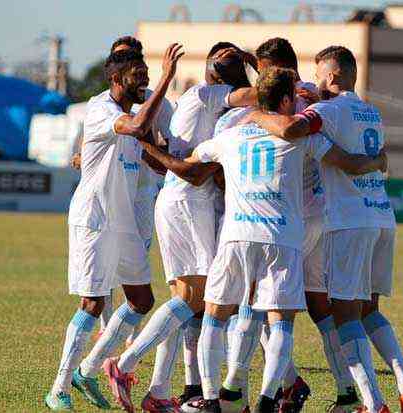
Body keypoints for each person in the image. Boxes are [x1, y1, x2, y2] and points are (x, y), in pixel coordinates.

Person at [142, 66, 387, 413]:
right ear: (287, 99)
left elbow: (190, 168)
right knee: (280, 321)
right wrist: (377, 159)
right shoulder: (301, 138)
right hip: (282, 239)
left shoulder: (230, 135)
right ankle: (266, 399)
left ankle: (213, 398)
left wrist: (150, 149)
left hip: (236, 236)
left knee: (215, 314)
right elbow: (349, 164)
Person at [244, 46, 403, 413]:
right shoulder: (371, 111)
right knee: (369, 309)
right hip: (381, 216)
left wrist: (258, 114)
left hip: (348, 221)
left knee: (344, 316)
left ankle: (372, 404)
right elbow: (376, 158)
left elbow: (294, 128)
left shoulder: (326, 111)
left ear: (328, 76)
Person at [100, 42, 257, 413]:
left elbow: (171, 154)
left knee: (186, 302)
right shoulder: (206, 93)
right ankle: (124, 366)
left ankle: (158, 391)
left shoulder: (202, 102)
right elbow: (259, 95)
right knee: (195, 300)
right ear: (220, 72)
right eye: (233, 73)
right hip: (189, 202)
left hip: (184, 200)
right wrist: (261, 72)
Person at [212, 37, 357, 413]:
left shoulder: (273, 112)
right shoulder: (315, 99)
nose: (260, 80)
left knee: (255, 303)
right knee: (317, 305)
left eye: (262, 72)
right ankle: (344, 390)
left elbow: (285, 129)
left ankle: (241, 391)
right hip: (318, 215)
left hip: (282, 222)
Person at [43, 44, 184, 412]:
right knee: (93, 303)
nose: (145, 85)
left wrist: (165, 158)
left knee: (142, 300)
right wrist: (168, 77)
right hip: (94, 219)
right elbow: (135, 128)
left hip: (125, 222)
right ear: (117, 79)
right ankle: (58, 388)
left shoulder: (136, 111)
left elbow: (150, 155)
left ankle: (88, 370)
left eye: (148, 78)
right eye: (139, 79)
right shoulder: (101, 108)